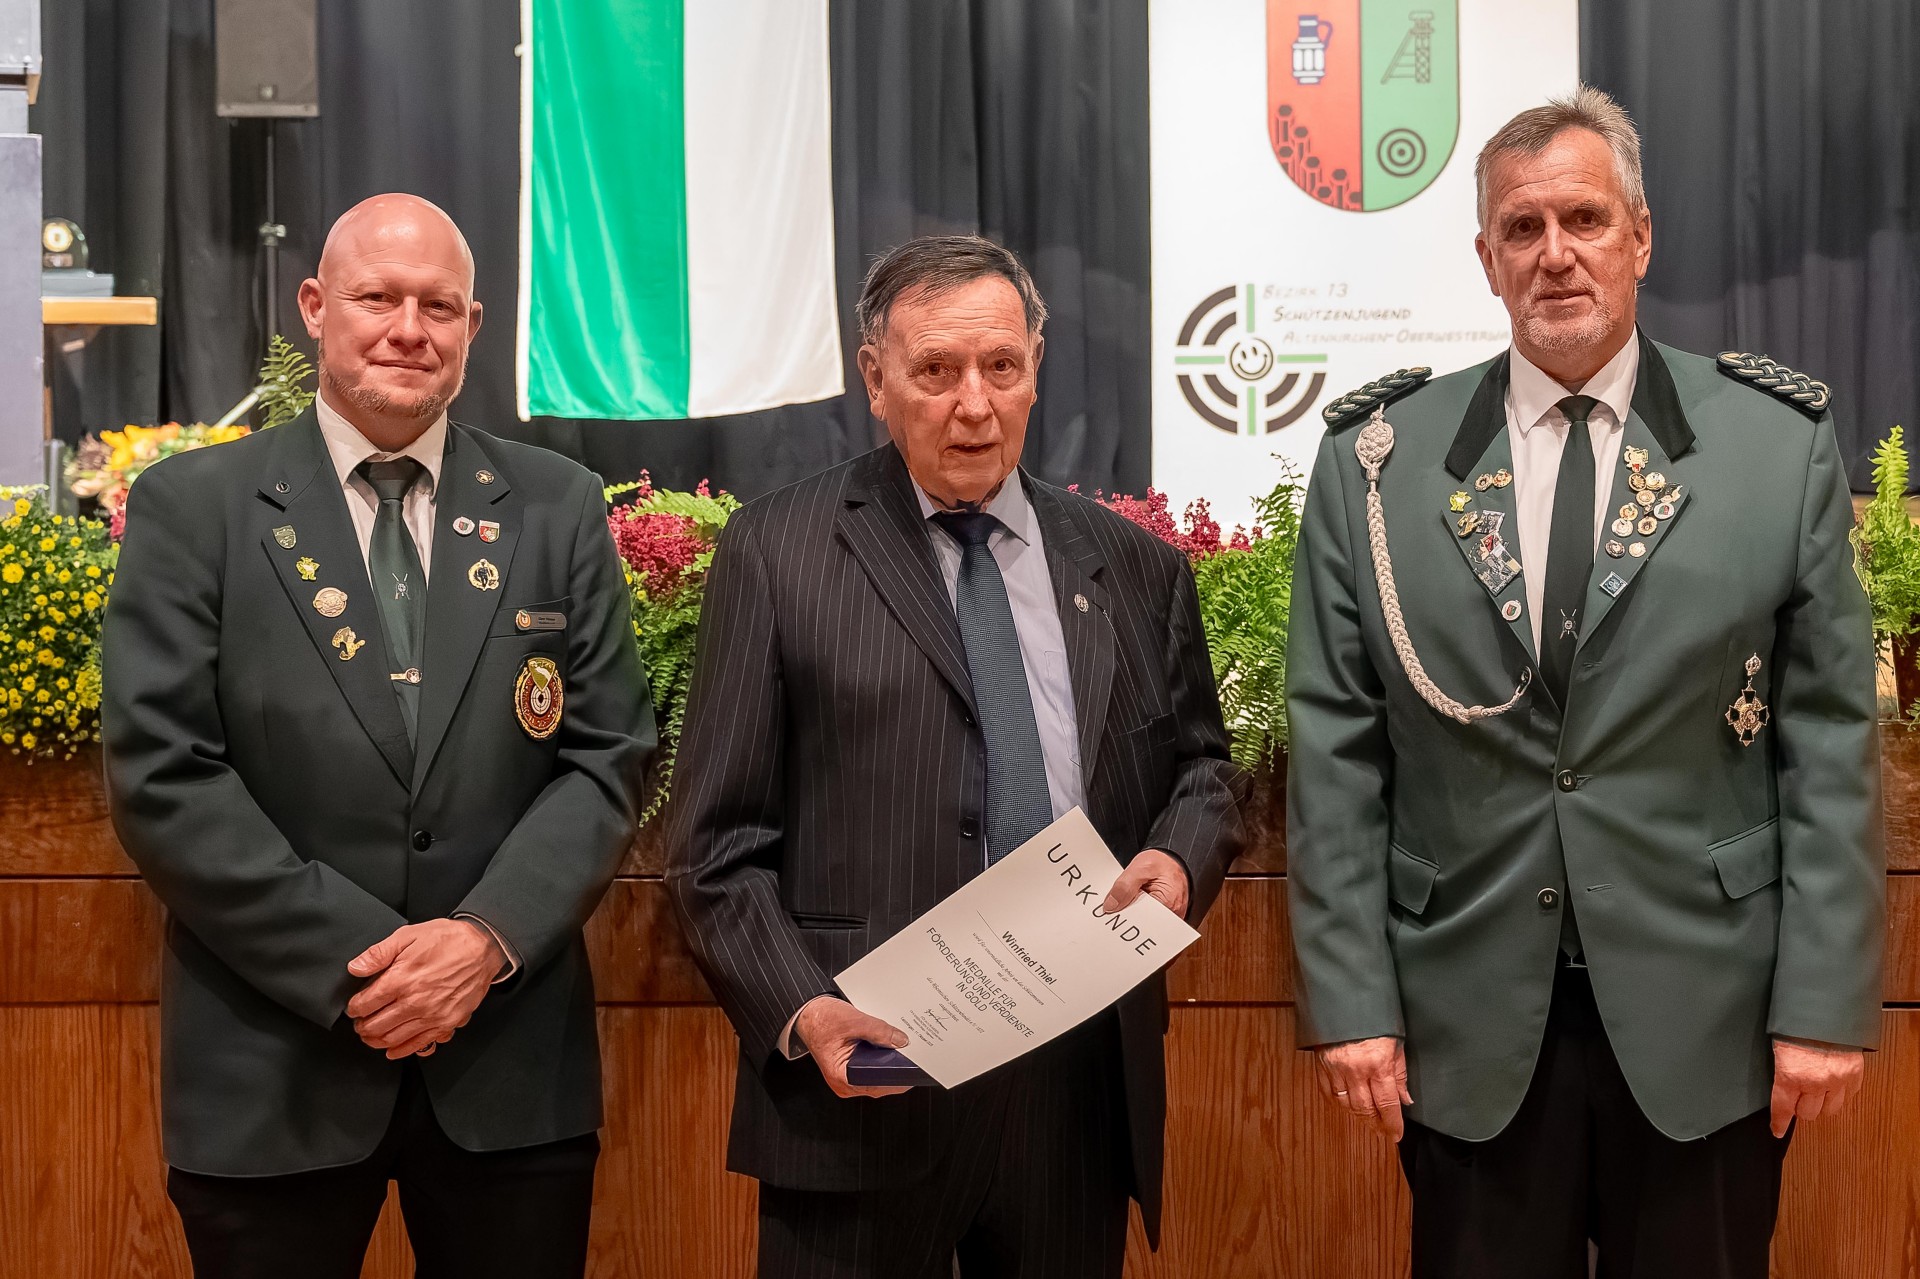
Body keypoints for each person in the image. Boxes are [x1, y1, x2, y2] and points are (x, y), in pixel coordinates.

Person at [1286, 86, 1883, 1279]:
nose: (1554, 253)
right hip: (1468, 1020)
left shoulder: (1773, 445)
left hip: (1710, 1015)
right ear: (1486, 259)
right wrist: (1351, 1001)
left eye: (1585, 219)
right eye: (1522, 228)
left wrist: (1823, 1004)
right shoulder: (1376, 463)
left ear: (1641, 236)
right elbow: (1337, 752)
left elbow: (1828, 740)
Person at [667, 234, 1245, 1278]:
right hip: (865, 1078)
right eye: (935, 370)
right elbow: (713, 845)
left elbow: (1203, 769)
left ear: (1036, 366)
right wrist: (804, 1008)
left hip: (1075, 1089)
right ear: (875, 379)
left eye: (1000, 366)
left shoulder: (1134, 567)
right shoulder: (776, 551)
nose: (973, 404)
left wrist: (1179, 858)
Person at [101, 194, 654, 1279]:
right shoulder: (194, 509)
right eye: (377, 298)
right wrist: (369, 969)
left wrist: (482, 939)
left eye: (439, 306)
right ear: (315, 306)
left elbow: (607, 756)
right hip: (274, 1070)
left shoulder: (557, 505)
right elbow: (164, 774)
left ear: (473, 325)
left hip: (506, 1069)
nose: (409, 329)